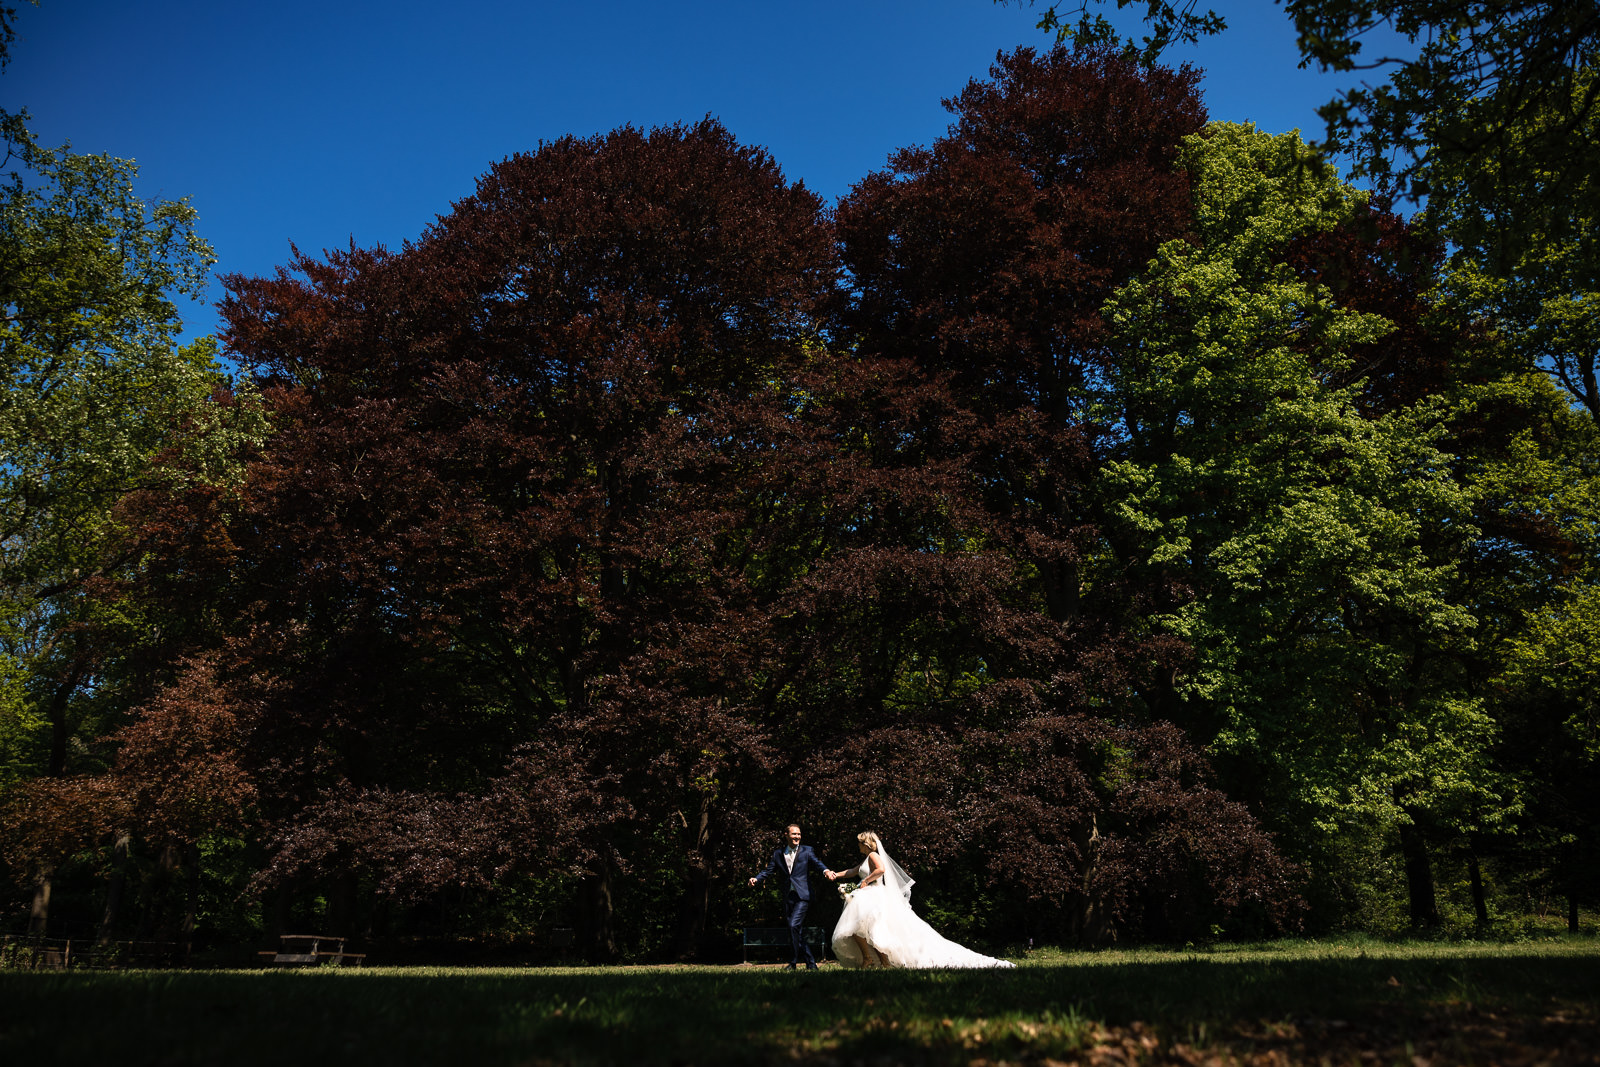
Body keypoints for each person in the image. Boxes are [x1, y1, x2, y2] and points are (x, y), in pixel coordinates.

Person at [826, 831, 1014, 969]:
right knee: (864, 928)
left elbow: (881, 870)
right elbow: (852, 871)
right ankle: (876, 961)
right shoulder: (867, 858)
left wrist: (864, 881)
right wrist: (837, 875)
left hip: (874, 895)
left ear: (865, 844)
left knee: (867, 928)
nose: (857, 846)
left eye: (859, 843)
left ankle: (876, 960)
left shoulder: (873, 855)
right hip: (868, 895)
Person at [749, 823, 836, 970]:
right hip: (788, 896)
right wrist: (757, 878)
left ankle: (794, 962)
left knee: (793, 925)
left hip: (803, 895)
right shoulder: (778, 854)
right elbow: (769, 870)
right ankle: (809, 964)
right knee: (795, 930)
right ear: (786, 835)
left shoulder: (807, 851)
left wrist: (826, 871)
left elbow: (817, 863)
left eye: (799, 834)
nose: (797, 837)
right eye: (794, 834)